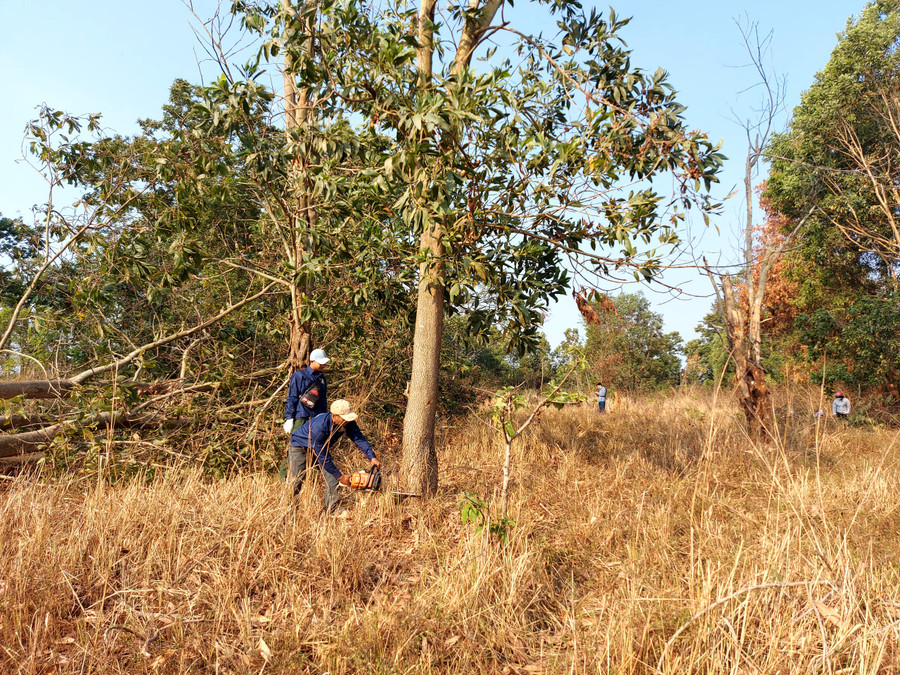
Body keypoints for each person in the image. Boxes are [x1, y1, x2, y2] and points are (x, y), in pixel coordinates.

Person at [288, 399, 381, 513]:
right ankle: (289, 514)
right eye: (344, 418)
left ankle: (333, 510)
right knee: (296, 481)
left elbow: (358, 438)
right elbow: (322, 456)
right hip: (300, 448)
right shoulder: (319, 427)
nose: (347, 421)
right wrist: (340, 476)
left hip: (320, 449)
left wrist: (372, 457)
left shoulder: (347, 422)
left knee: (332, 478)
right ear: (334, 416)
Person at [283, 348, 330, 436]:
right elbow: (292, 397)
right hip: (302, 417)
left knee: (315, 446)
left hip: (317, 418)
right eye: (320, 363)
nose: (323, 365)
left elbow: (323, 399)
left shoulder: (322, 378)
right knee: (297, 445)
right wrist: (289, 418)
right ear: (312, 361)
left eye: (324, 363)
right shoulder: (299, 375)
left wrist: (324, 417)